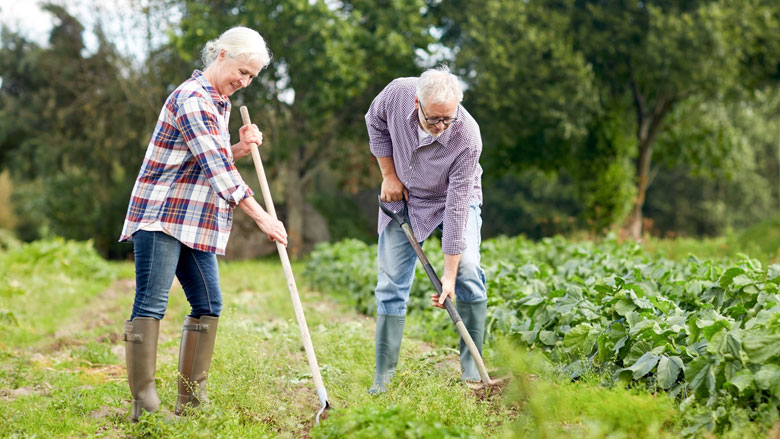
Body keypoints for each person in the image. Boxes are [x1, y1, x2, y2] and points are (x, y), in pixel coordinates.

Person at [118, 26, 287, 421]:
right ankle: (145, 408)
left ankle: (192, 404)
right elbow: (219, 172)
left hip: (194, 219)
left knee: (208, 303)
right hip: (162, 215)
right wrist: (265, 217)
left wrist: (240, 148)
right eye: (242, 72)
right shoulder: (193, 99)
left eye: (251, 78)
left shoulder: (217, 101)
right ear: (222, 55)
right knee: (151, 304)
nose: (243, 83)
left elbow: (203, 157)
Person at [364, 66, 486, 394]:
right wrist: (389, 175)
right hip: (406, 196)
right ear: (416, 103)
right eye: (434, 119)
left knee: (469, 273)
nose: (441, 127)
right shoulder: (396, 94)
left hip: (453, 196)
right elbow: (373, 122)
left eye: (448, 119)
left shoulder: (467, 136)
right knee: (390, 283)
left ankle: (472, 374)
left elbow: (458, 210)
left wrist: (449, 274)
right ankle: (383, 380)